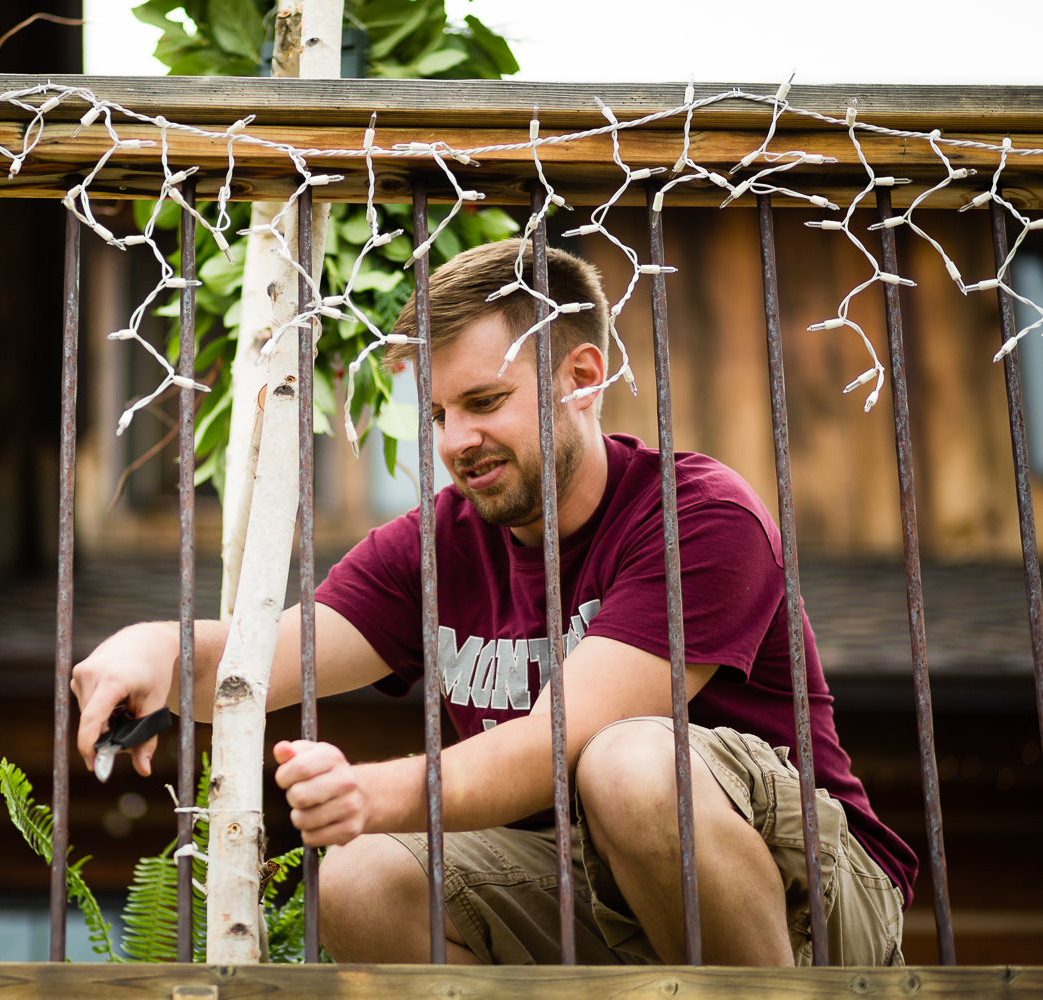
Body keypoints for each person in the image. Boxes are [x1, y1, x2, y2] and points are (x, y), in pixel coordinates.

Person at [71, 238, 916, 967]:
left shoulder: (699, 514)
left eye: (483, 403)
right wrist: (154, 651)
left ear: (581, 377)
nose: (454, 442)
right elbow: (273, 653)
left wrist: (371, 795)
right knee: (364, 881)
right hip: (586, 884)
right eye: (436, 413)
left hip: (807, 895)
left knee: (626, 765)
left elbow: (556, 744)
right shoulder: (438, 544)